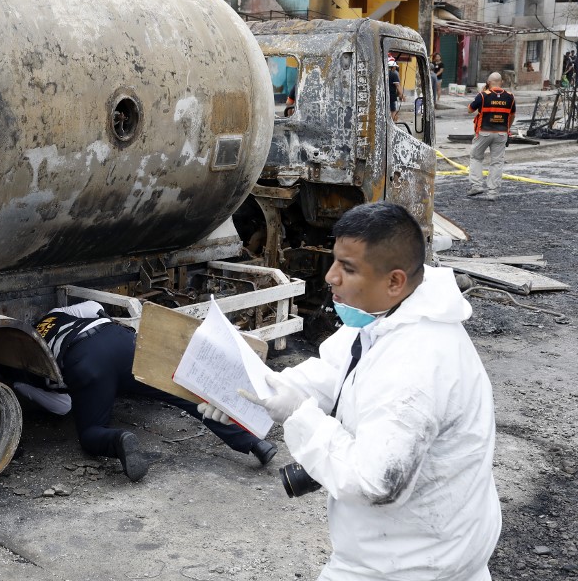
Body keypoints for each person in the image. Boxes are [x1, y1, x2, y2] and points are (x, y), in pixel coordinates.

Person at [201, 202, 500, 581]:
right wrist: (255, 393)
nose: (330, 277)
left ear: (394, 281)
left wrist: (299, 415)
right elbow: (335, 372)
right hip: (416, 546)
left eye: (348, 268)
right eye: (335, 261)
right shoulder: (388, 316)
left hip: (411, 565)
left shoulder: (417, 362)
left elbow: (375, 481)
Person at [31, 300, 277, 481]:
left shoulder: (33, 350)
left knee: (90, 433)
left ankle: (119, 440)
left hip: (85, 361)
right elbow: (93, 306)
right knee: (181, 393)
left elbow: (63, 406)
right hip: (119, 341)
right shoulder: (56, 312)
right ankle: (253, 443)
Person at [467, 72, 515, 200]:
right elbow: (512, 115)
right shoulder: (510, 97)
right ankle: (493, 193)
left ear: (488, 83)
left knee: (476, 158)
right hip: (501, 133)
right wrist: (507, 128)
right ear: (502, 82)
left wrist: (481, 94)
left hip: (483, 132)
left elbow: (470, 109)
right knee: (497, 162)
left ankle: (476, 185)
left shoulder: (483, 96)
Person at [387, 56, 404, 122]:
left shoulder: (384, 73)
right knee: (393, 111)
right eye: (395, 67)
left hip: (386, 95)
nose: (395, 68)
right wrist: (401, 95)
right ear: (393, 67)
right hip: (392, 96)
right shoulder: (394, 74)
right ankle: (393, 124)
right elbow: (397, 86)